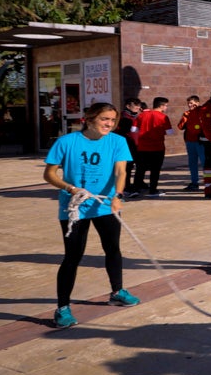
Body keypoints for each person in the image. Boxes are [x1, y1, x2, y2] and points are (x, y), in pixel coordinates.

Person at [42, 102, 139, 328]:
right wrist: (71, 189)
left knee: (113, 249)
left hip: (104, 205)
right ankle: (62, 308)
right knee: (73, 256)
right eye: (105, 119)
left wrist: (118, 194)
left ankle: (117, 292)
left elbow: (121, 171)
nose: (109, 124)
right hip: (75, 208)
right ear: (90, 118)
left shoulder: (118, 141)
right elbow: (49, 174)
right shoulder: (66, 142)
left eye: (113, 120)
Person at [130, 97, 171, 198]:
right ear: (162, 106)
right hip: (158, 147)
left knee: (140, 169)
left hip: (142, 147)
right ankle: (153, 190)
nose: (166, 107)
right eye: (166, 105)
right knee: (155, 170)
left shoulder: (142, 115)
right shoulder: (163, 117)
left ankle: (136, 189)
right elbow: (170, 132)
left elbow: (133, 129)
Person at [177, 94, 211, 192]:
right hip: (190, 141)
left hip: (201, 142)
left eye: (192, 103)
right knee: (192, 163)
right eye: (189, 103)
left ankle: (209, 183)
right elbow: (180, 126)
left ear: (198, 103)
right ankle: (194, 183)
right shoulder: (187, 113)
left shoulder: (203, 112)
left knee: (204, 163)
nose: (190, 105)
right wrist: (185, 118)